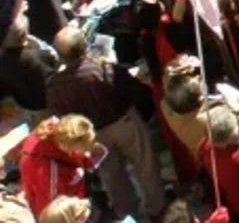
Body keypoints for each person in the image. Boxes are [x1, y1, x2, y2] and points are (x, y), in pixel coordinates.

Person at [45, 26, 163, 223]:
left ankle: (130, 216)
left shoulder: (55, 85)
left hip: (92, 137)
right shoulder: (102, 68)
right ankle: (158, 209)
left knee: (112, 178)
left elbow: (60, 116)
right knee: (146, 166)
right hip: (123, 124)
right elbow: (134, 89)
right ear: (84, 47)